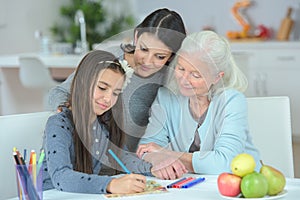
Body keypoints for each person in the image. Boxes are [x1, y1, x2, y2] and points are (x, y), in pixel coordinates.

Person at [48, 8, 187, 153]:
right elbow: (59, 92)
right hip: (90, 159)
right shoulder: (108, 58)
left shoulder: (171, 78)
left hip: (134, 163)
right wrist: (66, 111)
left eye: (159, 56)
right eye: (144, 49)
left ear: (171, 56)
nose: (147, 61)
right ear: (136, 36)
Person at [136, 31, 262, 177]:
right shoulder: (166, 97)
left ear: (216, 77)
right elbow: (146, 148)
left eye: (195, 75)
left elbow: (227, 163)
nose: (183, 80)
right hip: (193, 187)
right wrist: (157, 158)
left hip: (244, 187)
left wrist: (166, 154)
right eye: (181, 68)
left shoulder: (231, 101)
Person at [42, 50, 152, 194]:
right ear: (82, 82)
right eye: (102, 88)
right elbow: (61, 177)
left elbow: (122, 157)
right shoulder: (58, 124)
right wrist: (111, 184)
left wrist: (152, 169)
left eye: (115, 93)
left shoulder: (103, 126)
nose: (108, 99)